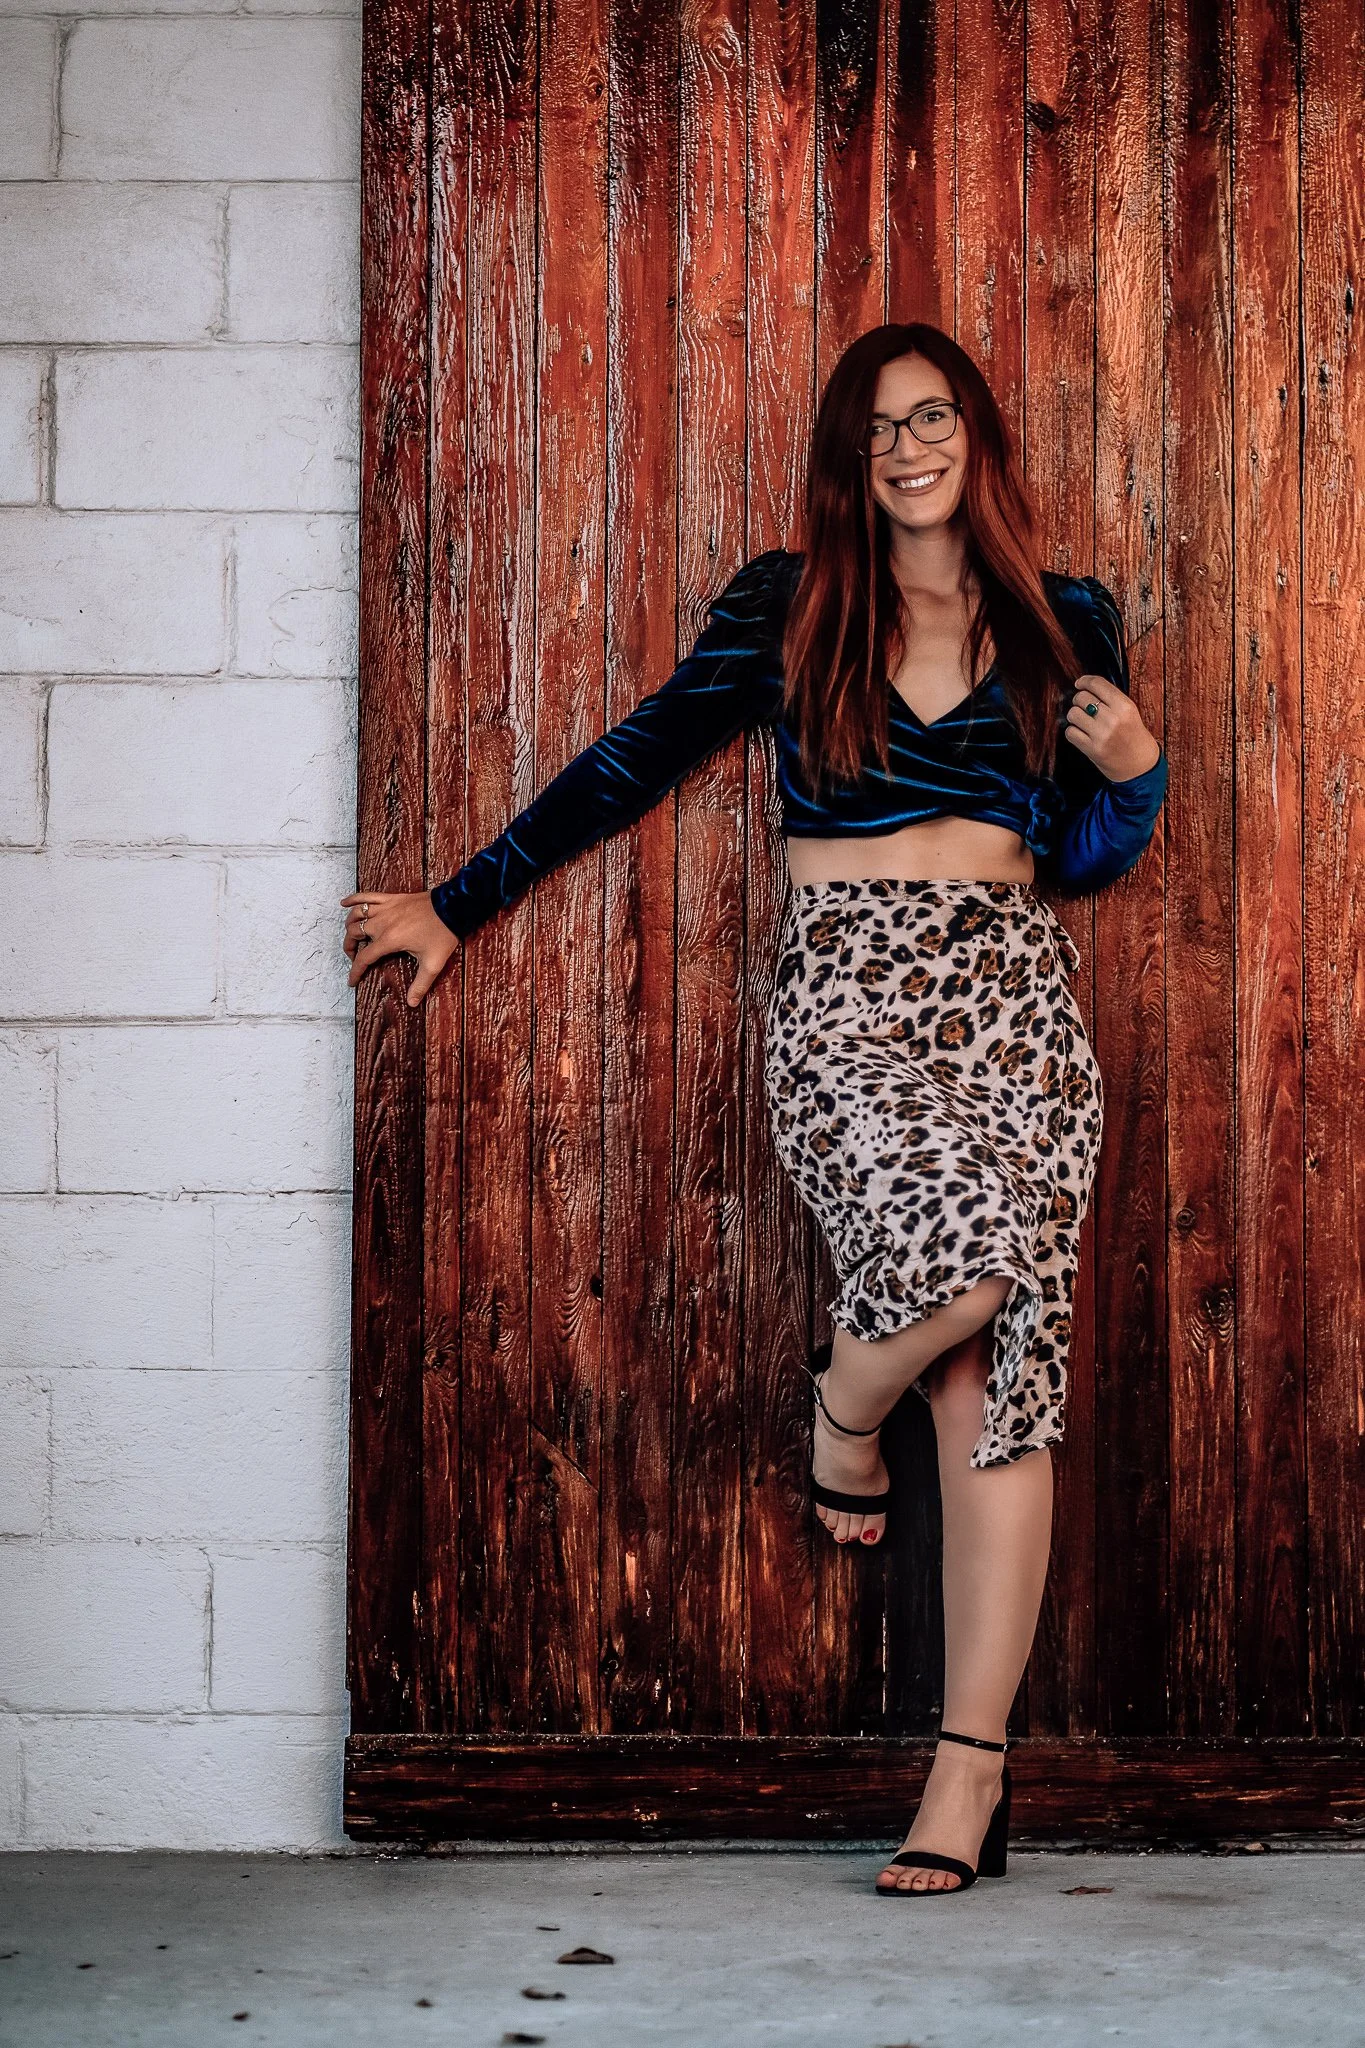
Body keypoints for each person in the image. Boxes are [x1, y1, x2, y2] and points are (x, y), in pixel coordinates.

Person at [342, 322, 1168, 1898]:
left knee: (997, 1371)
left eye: (934, 418)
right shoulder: (789, 606)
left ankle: (966, 1775)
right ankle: (842, 1415)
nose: (911, 447)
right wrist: (458, 903)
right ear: (847, 463)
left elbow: (1079, 858)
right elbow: (632, 760)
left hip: (1014, 1005)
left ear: (979, 437)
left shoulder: (1068, 622)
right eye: (878, 430)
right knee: (972, 1268)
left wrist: (1138, 773)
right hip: (849, 999)